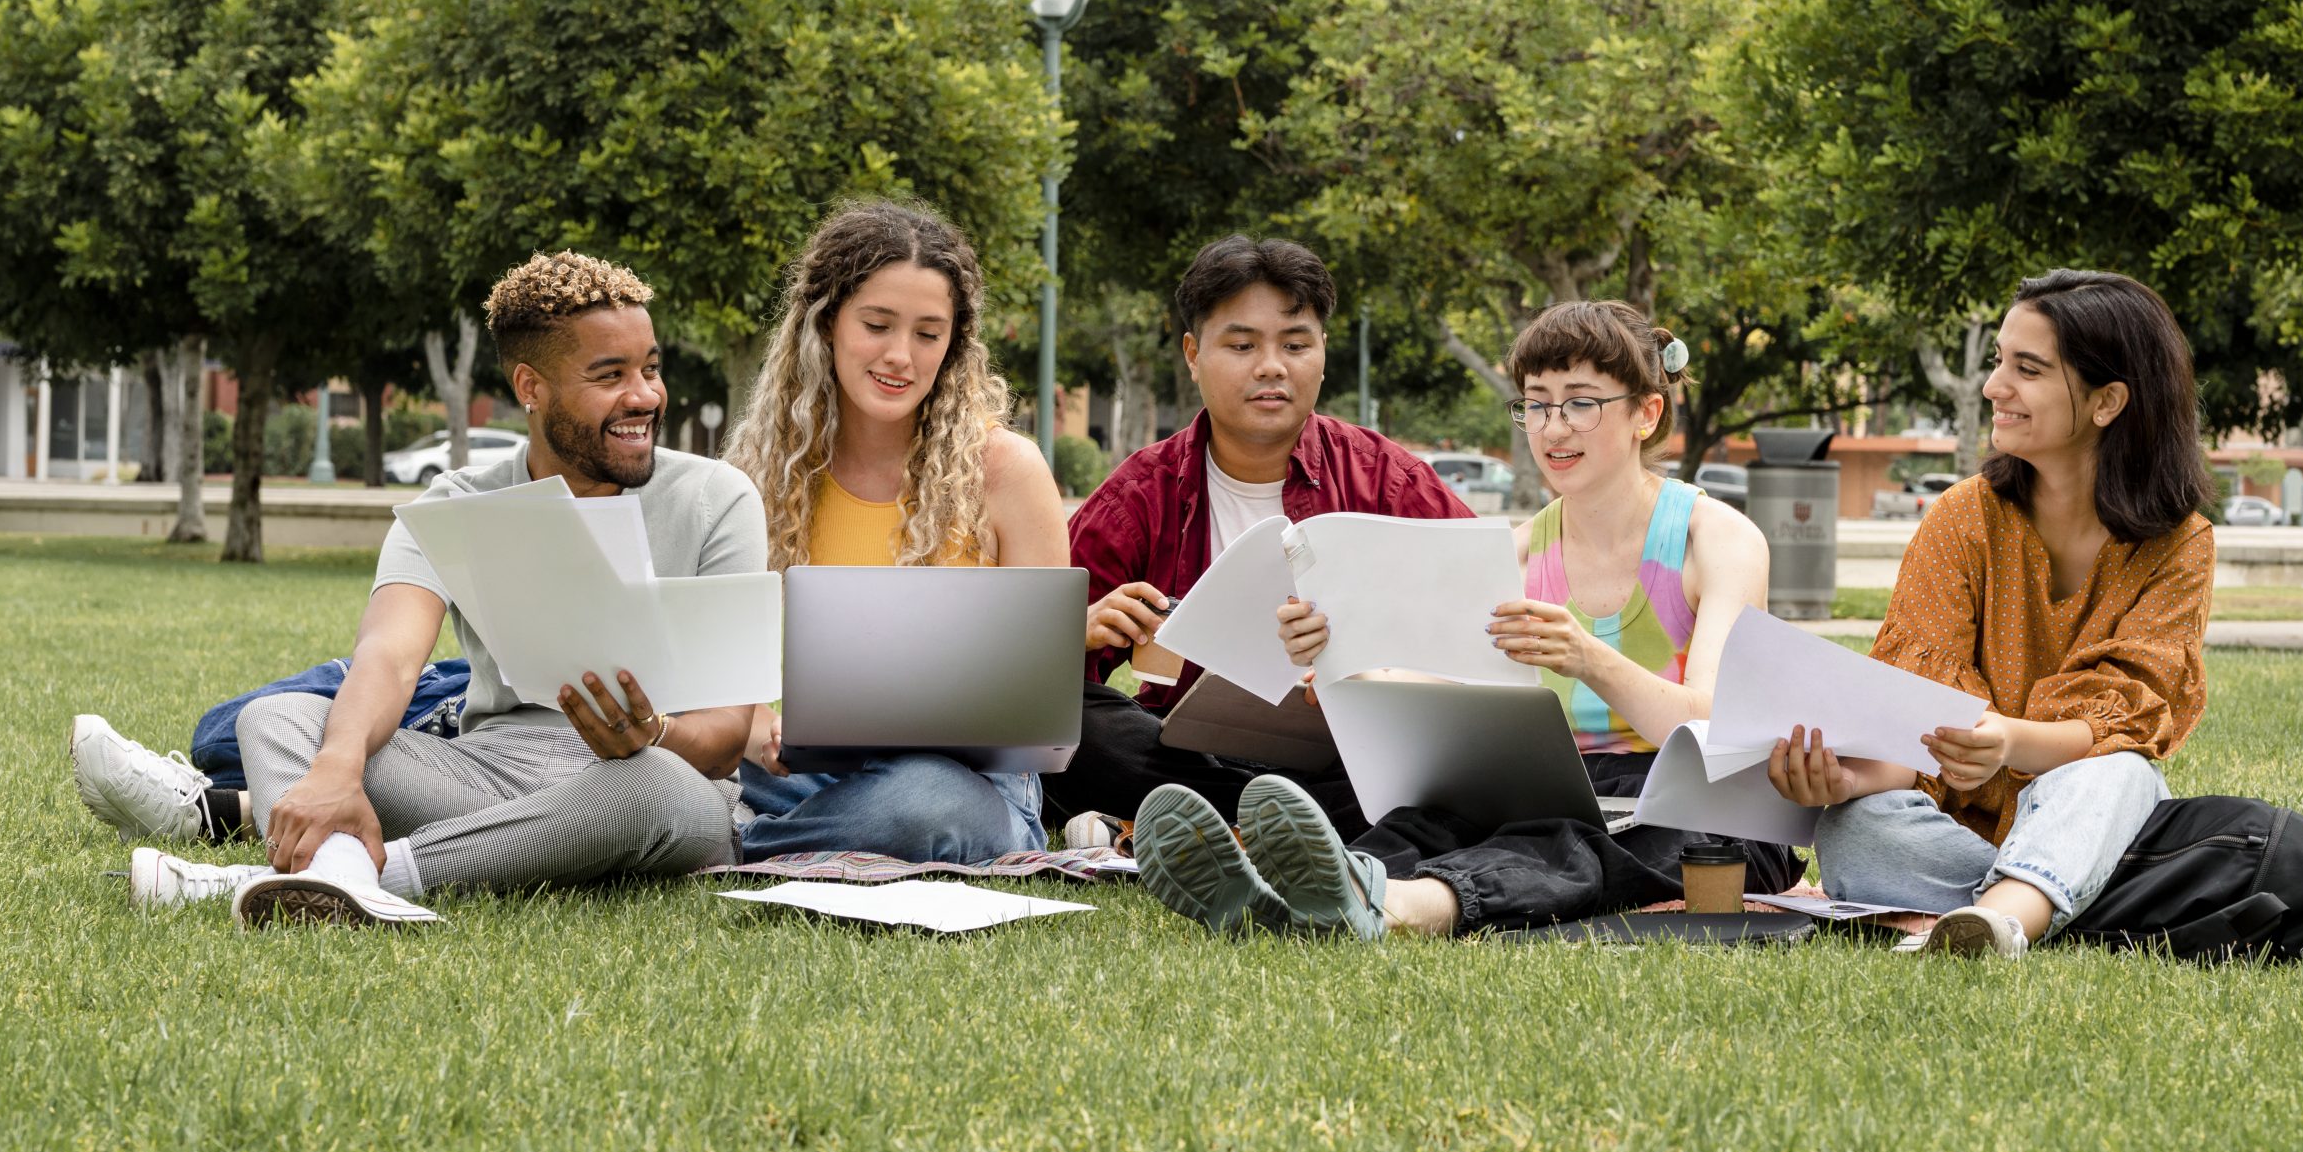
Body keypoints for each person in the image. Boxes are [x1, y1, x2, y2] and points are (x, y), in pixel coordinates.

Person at [95, 252, 763, 926]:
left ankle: (360, 878)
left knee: (650, 790)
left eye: (650, 367)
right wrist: (337, 764)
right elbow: (388, 654)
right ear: (531, 386)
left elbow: (728, 735)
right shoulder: (457, 501)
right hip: (487, 775)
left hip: (657, 782)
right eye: (610, 375)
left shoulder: (716, 498)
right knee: (275, 718)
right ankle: (337, 881)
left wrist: (653, 732)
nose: (646, 395)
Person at [1130, 300, 1804, 938]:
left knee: (1579, 842)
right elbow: (1445, 698)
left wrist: (1588, 656)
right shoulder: (1510, 550)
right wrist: (1340, 665)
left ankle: (1388, 903)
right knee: (1430, 820)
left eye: (1580, 404)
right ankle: (1276, 899)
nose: (1554, 428)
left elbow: (1708, 733)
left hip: (1701, 804)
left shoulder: (1716, 540)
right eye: (1535, 406)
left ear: (1646, 414)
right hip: (1564, 786)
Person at [1766, 269, 2216, 957]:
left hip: (2085, 801)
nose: (1993, 387)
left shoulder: (2179, 543)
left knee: (2118, 773)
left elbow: (2119, 723)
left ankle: (2005, 911)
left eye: (2026, 368)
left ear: (2107, 401)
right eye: (1998, 361)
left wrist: (2007, 740)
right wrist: (1853, 777)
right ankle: (2053, 900)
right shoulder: (1962, 518)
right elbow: (1916, 719)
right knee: (1854, 827)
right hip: (1961, 829)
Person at [1047, 235, 1478, 836]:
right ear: (1194, 354)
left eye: (1295, 344)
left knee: (1439, 760)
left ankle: (1201, 827)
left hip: (1350, 754)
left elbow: (1483, 616)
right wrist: (1082, 628)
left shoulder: (1387, 481)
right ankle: (1282, 826)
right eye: (1242, 344)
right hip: (1183, 756)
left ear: (1323, 353)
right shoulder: (1139, 495)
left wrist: (1368, 663)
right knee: (1075, 727)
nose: (1271, 366)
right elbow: (1033, 678)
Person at [721, 200, 1070, 862]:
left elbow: (1041, 706)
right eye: (877, 325)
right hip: (803, 771)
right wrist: (756, 726)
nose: (900, 356)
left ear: (954, 344)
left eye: (928, 334)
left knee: (921, 806)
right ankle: (813, 825)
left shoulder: (1007, 471)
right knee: (672, 771)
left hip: (966, 780)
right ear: (824, 325)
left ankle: (739, 843)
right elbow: (713, 668)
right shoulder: (760, 475)